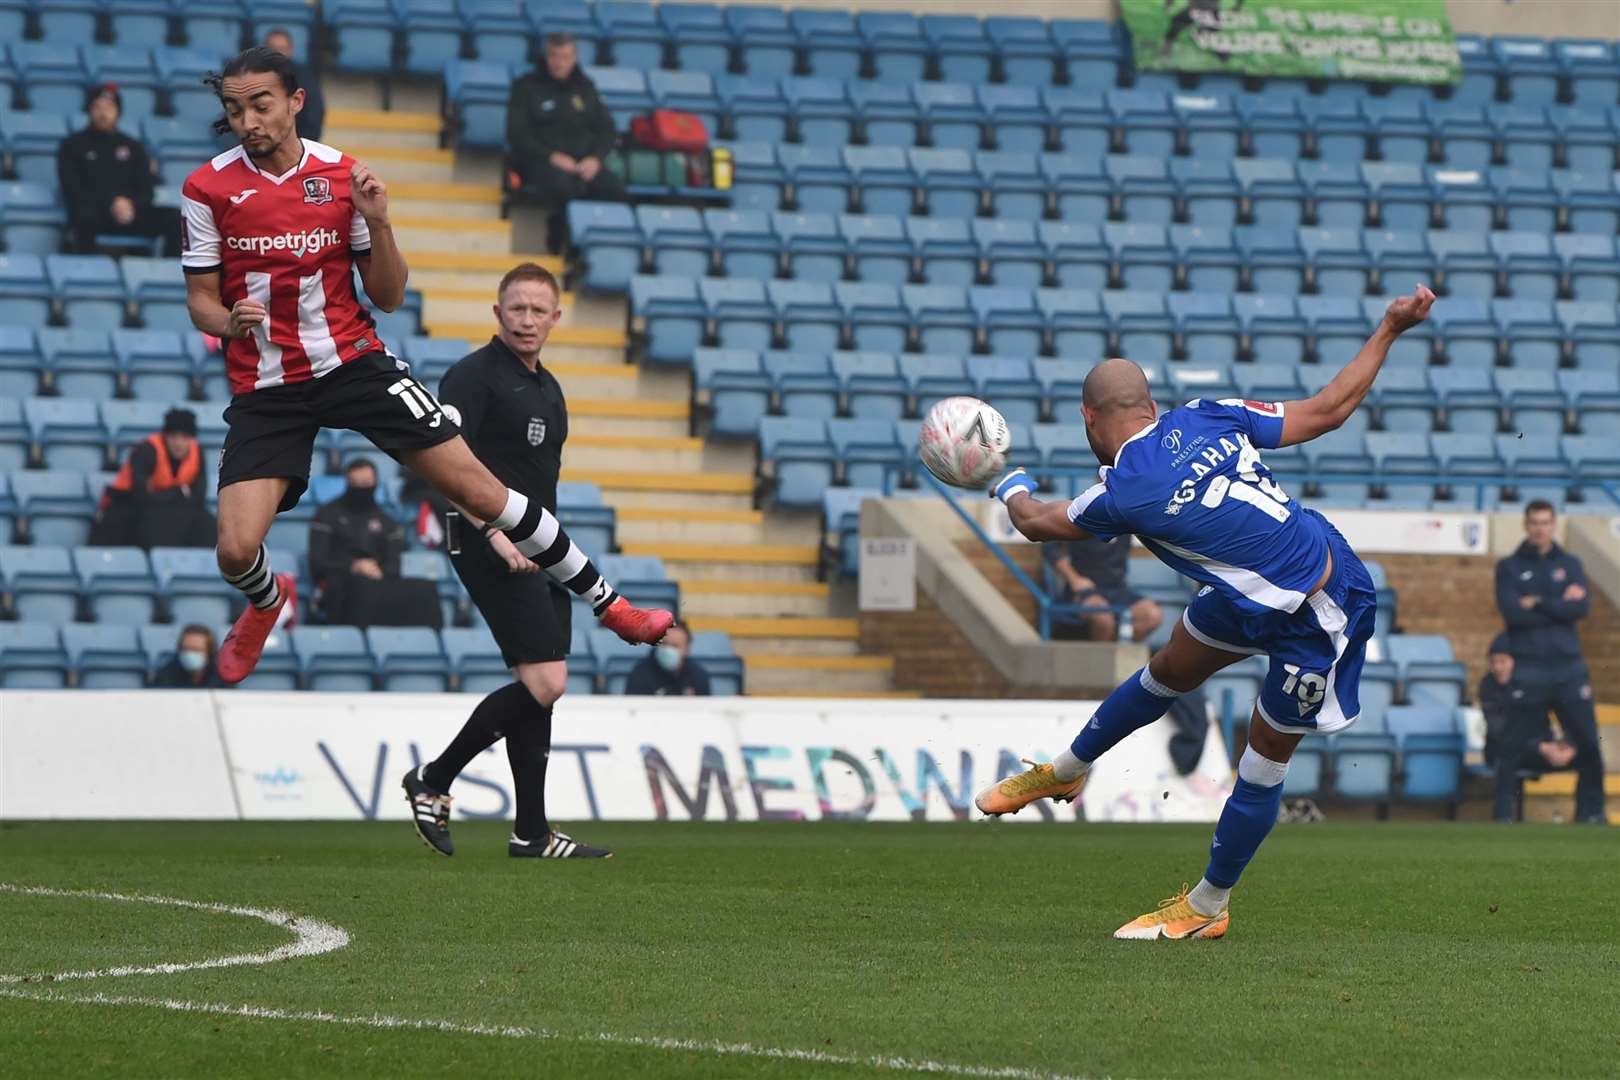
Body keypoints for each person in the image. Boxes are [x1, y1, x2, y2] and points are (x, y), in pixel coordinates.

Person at [180, 48, 671, 688]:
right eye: (235, 108)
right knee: (235, 550)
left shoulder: (344, 177)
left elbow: (385, 296)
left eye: (261, 104)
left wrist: (380, 225)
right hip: (268, 386)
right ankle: (268, 603)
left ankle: (612, 605)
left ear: (296, 101)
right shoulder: (206, 187)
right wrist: (228, 322)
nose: (248, 119)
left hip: (353, 364)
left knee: (482, 491)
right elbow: (201, 303)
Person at [974, 284, 1437, 940]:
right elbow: (1329, 411)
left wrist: (1000, 476)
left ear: (1088, 419)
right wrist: (1390, 327)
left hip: (1318, 609)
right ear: (1153, 405)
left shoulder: (1126, 492)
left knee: (1263, 755)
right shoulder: (1211, 413)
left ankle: (1208, 905)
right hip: (1258, 587)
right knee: (1168, 670)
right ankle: (1066, 773)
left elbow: (1036, 522)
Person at [403, 262, 611, 860]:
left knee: (538, 687)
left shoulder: (548, 385)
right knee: (549, 682)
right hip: (492, 543)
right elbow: (436, 464)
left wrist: (546, 548)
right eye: (515, 308)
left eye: (536, 310)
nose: (526, 320)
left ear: (555, 318)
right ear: (497, 313)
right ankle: (434, 779)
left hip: (543, 546)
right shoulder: (472, 377)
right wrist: (496, 534)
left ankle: (532, 832)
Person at [1493, 501, 1606, 824]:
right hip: (1528, 668)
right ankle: (1503, 819)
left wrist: (1538, 602)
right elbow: (1512, 612)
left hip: (1569, 669)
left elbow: (1580, 609)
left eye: (1545, 522)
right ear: (1526, 526)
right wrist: (1559, 604)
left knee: (1588, 742)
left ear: (1554, 524)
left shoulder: (1570, 564)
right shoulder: (1510, 567)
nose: (1540, 528)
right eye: (1534, 522)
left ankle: (1591, 815)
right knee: (1510, 747)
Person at [507, 32, 628, 245]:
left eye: (565, 57)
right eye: (554, 56)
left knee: (614, 189)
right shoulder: (526, 87)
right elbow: (517, 134)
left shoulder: (585, 87)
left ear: (574, 58)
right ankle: (561, 245)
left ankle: (599, 246)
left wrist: (595, 158)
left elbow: (607, 129)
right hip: (541, 161)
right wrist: (552, 157)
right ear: (546, 56)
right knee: (563, 187)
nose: (559, 63)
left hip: (584, 163)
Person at [307, 458, 437, 627]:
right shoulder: (326, 515)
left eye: (366, 483)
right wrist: (354, 567)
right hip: (340, 583)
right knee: (361, 588)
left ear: (375, 483)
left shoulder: (386, 521)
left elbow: (394, 565)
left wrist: (378, 571)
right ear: (348, 483)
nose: (362, 489)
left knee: (425, 590)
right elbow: (317, 562)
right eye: (356, 483)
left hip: (379, 583)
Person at [58, 83, 181, 255]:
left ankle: (168, 273)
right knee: (84, 217)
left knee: (175, 217)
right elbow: (72, 190)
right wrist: (111, 203)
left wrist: (130, 205)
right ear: (89, 110)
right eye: (97, 107)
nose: (103, 113)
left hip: (131, 213)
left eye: (109, 107)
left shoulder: (133, 146)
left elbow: (147, 191)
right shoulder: (73, 145)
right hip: (96, 214)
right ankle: (86, 274)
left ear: (118, 111)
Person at [1479, 633, 1578, 822]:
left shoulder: (1536, 684)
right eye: (1493, 662)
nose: (1498, 667)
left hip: (1540, 750)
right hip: (1504, 749)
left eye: (1503, 661)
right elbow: (1499, 731)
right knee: (1505, 757)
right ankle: (1503, 820)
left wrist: (1567, 745)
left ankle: (1589, 815)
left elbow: (1567, 716)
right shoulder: (1488, 686)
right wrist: (1540, 746)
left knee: (1587, 756)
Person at [91, 408, 216, 549]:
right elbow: (141, 496)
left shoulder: (198, 452)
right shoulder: (147, 450)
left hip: (169, 509)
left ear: (192, 439)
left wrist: (162, 494)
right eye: (173, 436)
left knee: (207, 524)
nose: (178, 443)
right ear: (165, 436)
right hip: (127, 503)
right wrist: (179, 492)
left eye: (185, 437)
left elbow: (199, 497)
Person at [1046, 536, 1163, 642]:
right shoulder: (1082, 516)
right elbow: (1049, 548)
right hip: (1087, 590)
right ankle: (1101, 662)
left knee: (1152, 616)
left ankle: (1118, 654)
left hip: (1119, 589)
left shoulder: (1129, 517)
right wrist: (1074, 579)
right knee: (1103, 619)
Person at [264, 28, 324, 141]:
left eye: (282, 48)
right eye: (273, 49)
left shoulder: (304, 78)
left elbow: (314, 114)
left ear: (290, 50)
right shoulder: (252, 76)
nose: (277, 53)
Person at [624, 623, 711, 696]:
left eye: (675, 646)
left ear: (687, 650)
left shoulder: (698, 676)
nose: (668, 649)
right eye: (664, 644)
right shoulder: (640, 674)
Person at [152, 624, 227, 688]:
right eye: (185, 649)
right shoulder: (165, 676)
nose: (189, 654)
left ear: (209, 652)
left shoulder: (222, 678)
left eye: (196, 650)